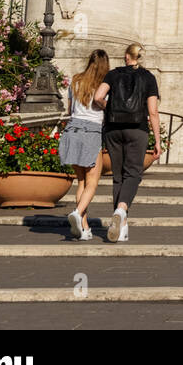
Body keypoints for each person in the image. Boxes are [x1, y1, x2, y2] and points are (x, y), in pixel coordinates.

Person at [93, 43, 162, 243]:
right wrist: (157, 140)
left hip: (114, 128)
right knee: (133, 173)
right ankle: (121, 210)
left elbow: (98, 96)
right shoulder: (148, 77)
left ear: (126, 56)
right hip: (137, 129)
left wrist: (110, 106)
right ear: (140, 58)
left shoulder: (113, 74)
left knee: (118, 175)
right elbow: (153, 111)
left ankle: (122, 227)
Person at [61, 49, 110, 240]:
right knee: (92, 182)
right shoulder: (104, 86)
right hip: (91, 132)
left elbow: (69, 108)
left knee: (81, 181)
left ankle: (84, 226)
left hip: (72, 129)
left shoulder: (75, 81)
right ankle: (77, 212)